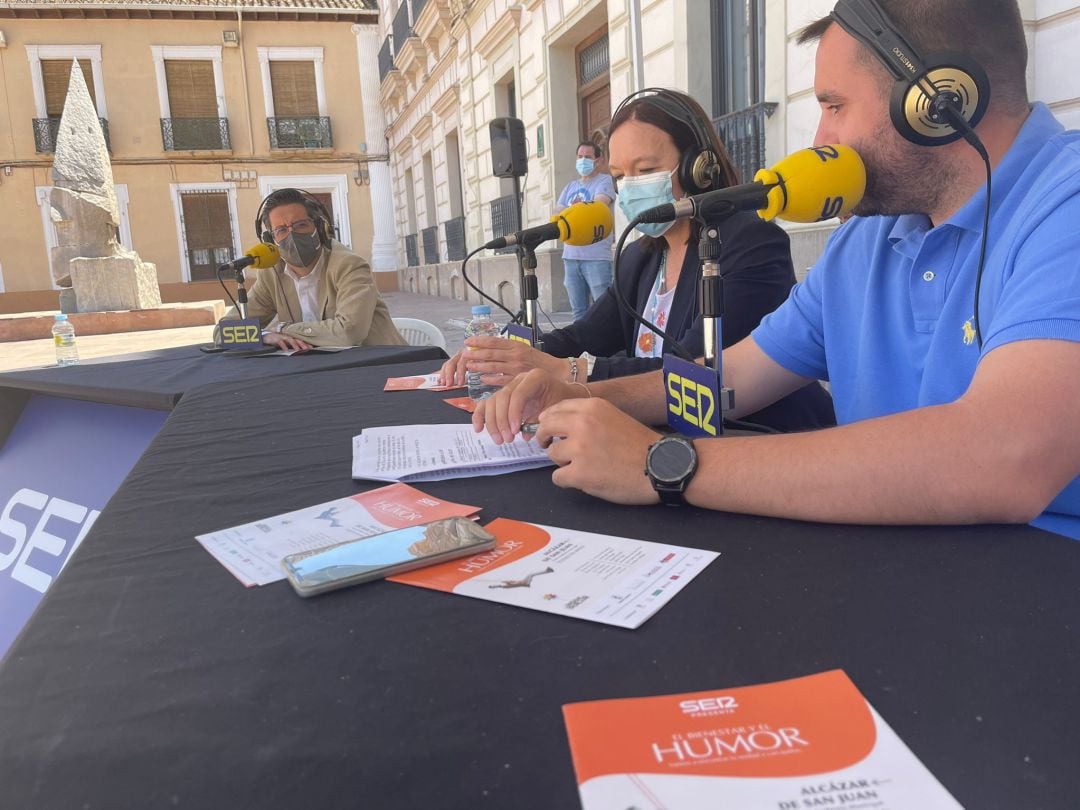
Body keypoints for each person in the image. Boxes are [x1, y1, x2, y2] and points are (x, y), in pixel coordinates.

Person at [474, 0, 1080, 527]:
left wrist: (661, 464)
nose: (819, 135)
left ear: (938, 100)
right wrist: (583, 391)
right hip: (894, 578)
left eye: (835, 106)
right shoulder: (861, 242)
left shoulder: (1064, 201)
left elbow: (1009, 455)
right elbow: (727, 381)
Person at [442, 90, 835, 433]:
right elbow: (585, 335)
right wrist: (502, 350)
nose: (629, 187)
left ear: (700, 168)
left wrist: (570, 372)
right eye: (618, 175)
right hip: (660, 436)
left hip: (760, 441)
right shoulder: (640, 255)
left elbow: (691, 371)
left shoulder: (751, 243)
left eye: (645, 170)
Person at [245, 188, 405, 351]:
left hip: (379, 363)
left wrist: (283, 329)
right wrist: (265, 336)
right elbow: (227, 329)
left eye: (300, 225)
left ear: (320, 228)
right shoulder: (271, 274)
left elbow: (349, 333)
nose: (292, 235)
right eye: (281, 230)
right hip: (317, 368)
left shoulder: (349, 265)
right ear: (270, 240)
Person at [557, 140, 617, 320]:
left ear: (599, 160)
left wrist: (571, 211)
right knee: (578, 312)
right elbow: (556, 212)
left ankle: (607, 348)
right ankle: (581, 348)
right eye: (580, 157)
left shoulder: (605, 181)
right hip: (571, 257)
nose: (583, 161)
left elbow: (597, 206)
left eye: (588, 157)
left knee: (603, 311)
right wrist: (578, 209)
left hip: (596, 257)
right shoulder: (570, 187)